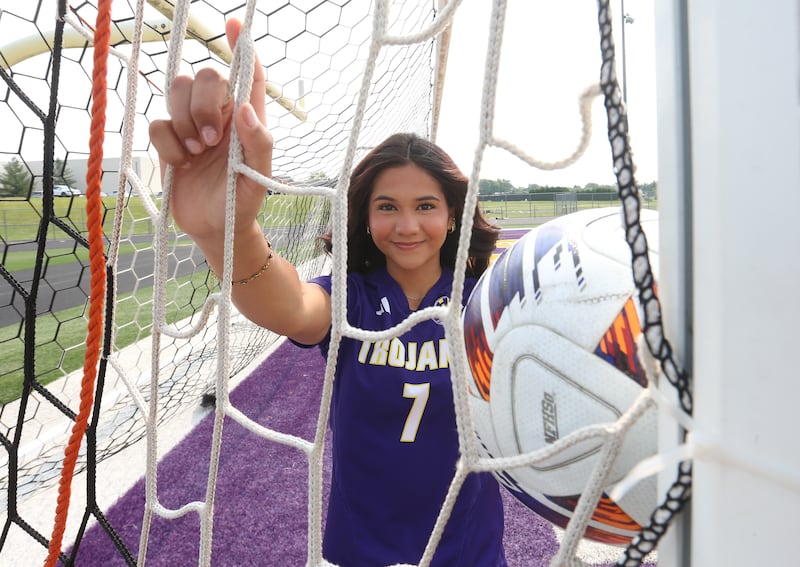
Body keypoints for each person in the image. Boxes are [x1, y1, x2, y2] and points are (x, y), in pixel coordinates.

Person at [149, 18, 506, 567]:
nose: (407, 225)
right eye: (387, 206)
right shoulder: (353, 299)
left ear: (454, 214)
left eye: (425, 206)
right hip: (362, 550)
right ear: (362, 217)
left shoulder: (488, 300)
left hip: (467, 547)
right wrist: (228, 231)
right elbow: (291, 305)